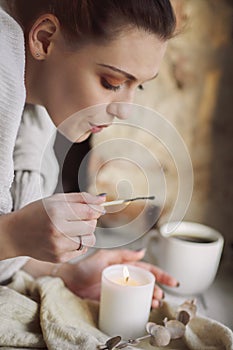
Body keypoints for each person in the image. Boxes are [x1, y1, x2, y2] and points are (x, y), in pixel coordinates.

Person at [0, 0, 179, 308]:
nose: (124, 109)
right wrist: (12, 235)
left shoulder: (31, 121)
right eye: (113, 82)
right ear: (45, 39)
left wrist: (67, 274)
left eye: (139, 87)